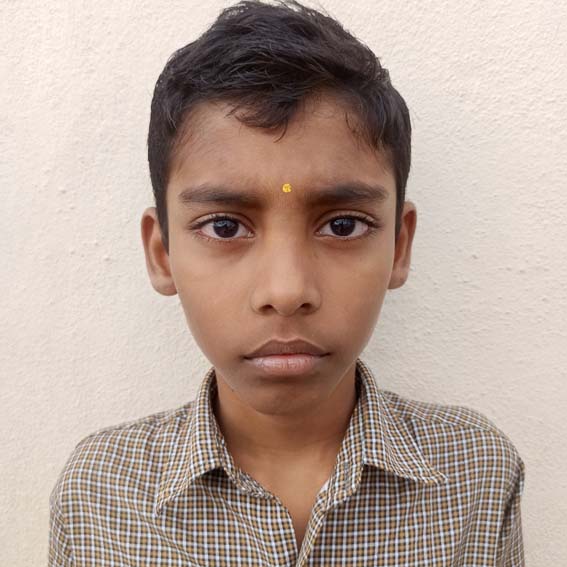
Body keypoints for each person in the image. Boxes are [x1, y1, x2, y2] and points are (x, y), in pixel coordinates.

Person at [48, 1, 525, 565]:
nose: (286, 290)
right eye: (225, 227)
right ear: (162, 254)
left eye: (342, 225)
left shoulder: (476, 473)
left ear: (398, 246)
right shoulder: (100, 495)